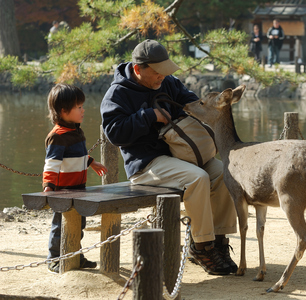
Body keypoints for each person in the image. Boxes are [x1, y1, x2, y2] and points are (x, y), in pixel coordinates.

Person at [100, 39, 238, 276]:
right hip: (146, 165)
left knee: (225, 172)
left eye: (165, 70)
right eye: (157, 72)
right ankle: (202, 246)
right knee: (198, 178)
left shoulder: (169, 83)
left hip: (182, 156)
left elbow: (192, 104)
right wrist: (149, 116)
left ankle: (218, 241)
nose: (162, 76)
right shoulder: (117, 93)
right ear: (137, 69)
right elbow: (114, 133)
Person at [43, 83, 108, 274]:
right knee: (60, 225)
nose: (83, 110)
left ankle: (75, 254)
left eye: (82, 106)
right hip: (62, 190)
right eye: (78, 107)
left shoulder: (75, 131)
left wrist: (91, 162)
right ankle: (55, 258)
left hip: (79, 187)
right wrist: (48, 186)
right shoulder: (58, 136)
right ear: (63, 111)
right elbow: (52, 163)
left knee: (78, 223)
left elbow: (77, 155)